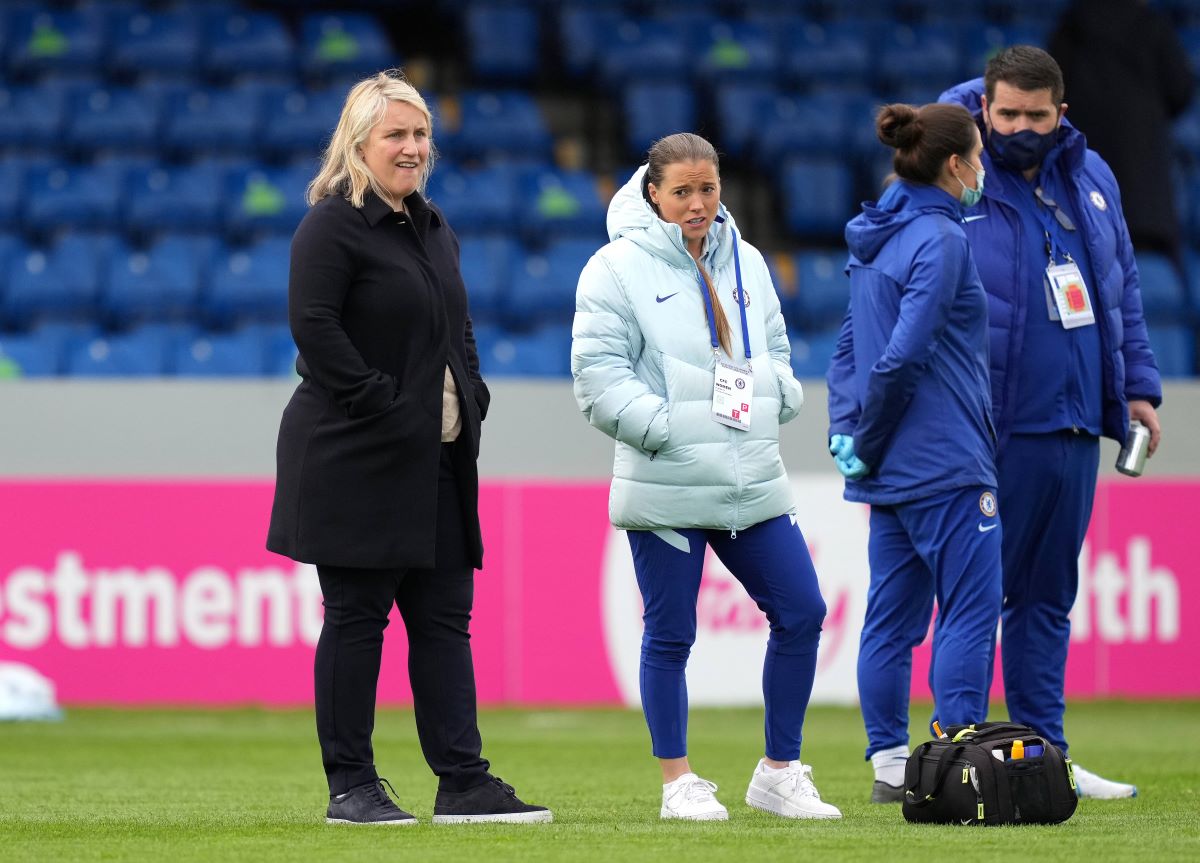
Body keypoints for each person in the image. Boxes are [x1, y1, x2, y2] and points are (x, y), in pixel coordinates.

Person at [266, 70, 551, 826]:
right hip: (356, 456)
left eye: (421, 134)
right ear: (358, 144)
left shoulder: (432, 225)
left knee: (443, 619)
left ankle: (463, 780)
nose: (413, 147)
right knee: (357, 617)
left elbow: (457, 327)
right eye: (396, 134)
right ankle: (351, 784)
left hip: (438, 462)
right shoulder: (330, 225)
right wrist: (391, 410)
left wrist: (472, 389)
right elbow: (315, 331)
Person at [572, 132, 841, 822]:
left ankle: (779, 770)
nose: (697, 203)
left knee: (804, 610)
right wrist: (665, 430)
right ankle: (677, 782)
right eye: (682, 191)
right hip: (667, 482)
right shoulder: (612, 268)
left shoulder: (747, 261)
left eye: (708, 189)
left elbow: (775, 348)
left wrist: (779, 394)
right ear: (652, 193)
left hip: (749, 475)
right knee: (670, 633)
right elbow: (598, 380)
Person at [940, 45, 1163, 799]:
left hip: (1072, 422)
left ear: (1061, 112)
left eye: (1038, 115)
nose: (1023, 127)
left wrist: (1137, 387)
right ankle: (960, 756)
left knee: (1047, 599)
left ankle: (1046, 757)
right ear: (985, 108)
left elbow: (1121, 285)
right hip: (988, 423)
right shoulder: (954, 171)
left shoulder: (1091, 176)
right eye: (1008, 114)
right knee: (976, 598)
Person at [826, 103, 1004, 803]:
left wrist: (851, 433)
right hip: (948, 461)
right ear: (956, 165)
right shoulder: (942, 240)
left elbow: (848, 347)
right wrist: (866, 435)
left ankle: (890, 768)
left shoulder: (878, 236)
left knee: (890, 621)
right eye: (980, 157)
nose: (984, 169)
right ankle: (959, 759)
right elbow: (903, 358)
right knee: (968, 608)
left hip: (890, 471)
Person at [1049, 0, 1194, 264]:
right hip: (1146, 208)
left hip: (1086, 194)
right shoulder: (1152, 26)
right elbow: (1180, 91)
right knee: (1146, 285)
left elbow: (1051, 93)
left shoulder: (1074, 23)